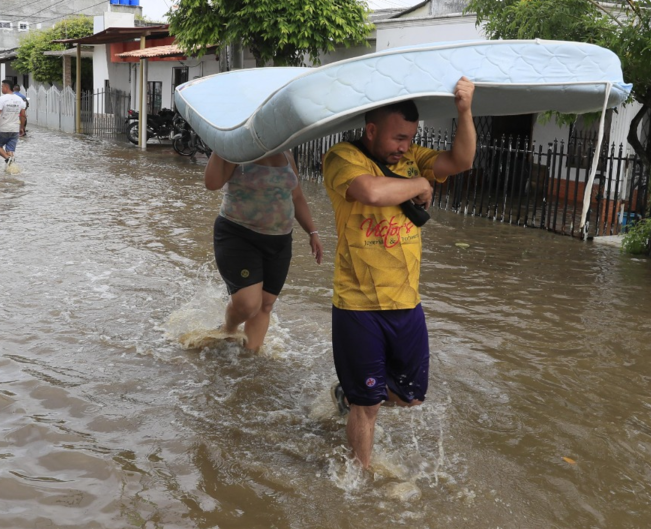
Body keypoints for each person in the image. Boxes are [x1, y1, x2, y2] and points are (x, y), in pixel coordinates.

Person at [322, 77, 476, 469]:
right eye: (397, 138)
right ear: (371, 130)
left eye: (409, 138)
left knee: (411, 398)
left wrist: (464, 110)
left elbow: (462, 161)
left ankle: (350, 393)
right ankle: (362, 475)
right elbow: (371, 192)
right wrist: (420, 183)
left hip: (406, 301)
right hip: (358, 304)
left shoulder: (412, 158)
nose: (404, 147)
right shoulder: (341, 157)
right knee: (368, 405)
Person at [204, 150, 323, 353]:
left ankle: (249, 360)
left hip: (280, 241)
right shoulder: (236, 150)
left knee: (265, 304)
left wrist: (312, 231)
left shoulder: (286, 154)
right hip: (239, 235)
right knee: (248, 304)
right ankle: (228, 329)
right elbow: (211, 183)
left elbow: (297, 196)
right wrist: (221, 145)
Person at [0, 79, 26, 170]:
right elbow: (23, 115)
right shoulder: (20, 99)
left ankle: (7, 159)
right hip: (14, 129)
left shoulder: (2, 98)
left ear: (6, 87)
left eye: (2, 86)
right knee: (10, 150)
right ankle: (11, 170)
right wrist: (22, 128)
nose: (1, 88)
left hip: (3, 128)